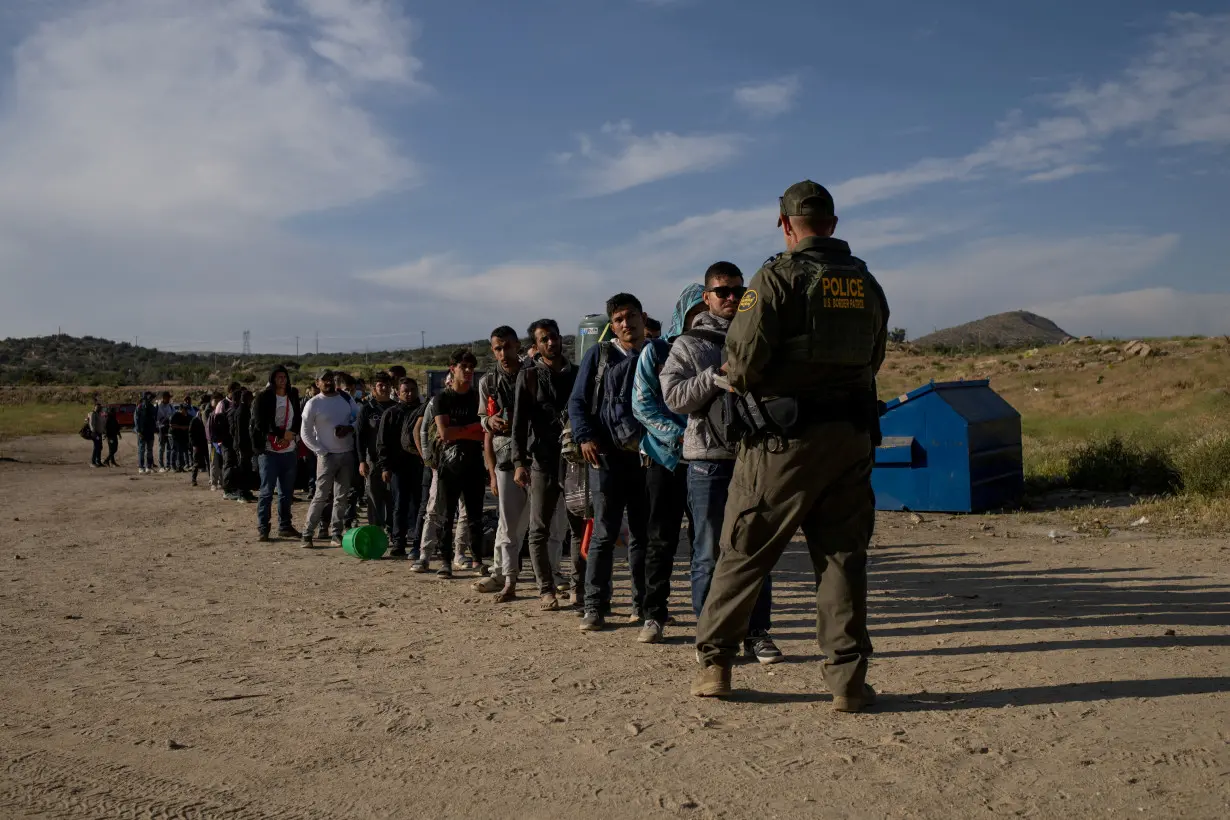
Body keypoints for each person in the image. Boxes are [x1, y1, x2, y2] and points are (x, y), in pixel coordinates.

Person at [690, 181, 889, 711]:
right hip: (850, 439)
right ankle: (848, 682)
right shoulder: (866, 283)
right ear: (833, 222)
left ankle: (716, 664)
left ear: (784, 224)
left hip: (782, 444)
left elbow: (747, 361)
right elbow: (873, 359)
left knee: (745, 548)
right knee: (843, 557)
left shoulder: (774, 278)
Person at [663, 262, 783, 665]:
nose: (731, 297)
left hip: (755, 458)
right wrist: (718, 375)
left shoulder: (761, 335)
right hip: (709, 463)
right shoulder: (688, 344)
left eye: (737, 290)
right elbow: (675, 398)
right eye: (722, 291)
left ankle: (757, 633)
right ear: (706, 297)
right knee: (709, 552)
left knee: (756, 550)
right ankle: (711, 638)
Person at [567, 293, 651, 632]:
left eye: (630, 316)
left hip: (648, 459)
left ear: (643, 317)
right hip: (606, 458)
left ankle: (643, 606)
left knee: (644, 536)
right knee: (603, 534)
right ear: (612, 325)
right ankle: (595, 606)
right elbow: (577, 401)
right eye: (618, 319)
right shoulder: (599, 355)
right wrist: (585, 436)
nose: (626, 323)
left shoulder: (656, 353)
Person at [630, 284, 704, 643]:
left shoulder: (716, 350)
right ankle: (653, 613)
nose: (700, 320)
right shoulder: (656, 352)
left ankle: (707, 614)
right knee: (660, 539)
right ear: (683, 314)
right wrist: (681, 435)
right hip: (665, 459)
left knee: (705, 540)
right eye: (694, 313)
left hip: (707, 460)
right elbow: (643, 405)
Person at [513, 319, 584, 610]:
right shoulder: (528, 377)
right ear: (536, 345)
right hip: (541, 460)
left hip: (575, 462)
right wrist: (519, 461)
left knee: (579, 527)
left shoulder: (578, 374)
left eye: (553, 337)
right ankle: (546, 589)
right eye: (544, 339)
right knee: (539, 528)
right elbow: (518, 424)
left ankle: (578, 588)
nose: (551, 343)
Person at [428, 349, 488, 579]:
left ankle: (477, 560)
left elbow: (485, 432)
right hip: (449, 464)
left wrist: (462, 431)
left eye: (472, 367)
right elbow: (444, 433)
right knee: (446, 515)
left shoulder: (477, 397)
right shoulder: (442, 398)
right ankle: (445, 561)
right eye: (464, 367)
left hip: (474, 463)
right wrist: (472, 429)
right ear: (452, 369)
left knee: (475, 516)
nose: (469, 371)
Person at [476, 326, 526, 601]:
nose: (503, 353)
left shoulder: (532, 374)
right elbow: (483, 419)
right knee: (507, 523)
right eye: (497, 348)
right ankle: (505, 576)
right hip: (505, 456)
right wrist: (489, 421)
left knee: (534, 522)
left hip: (534, 455)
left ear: (517, 345)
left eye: (507, 346)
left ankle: (552, 576)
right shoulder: (489, 382)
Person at [300, 369, 358, 547]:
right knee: (321, 496)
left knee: (341, 497)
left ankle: (336, 534)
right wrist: (320, 451)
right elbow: (305, 432)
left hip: (347, 453)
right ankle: (307, 533)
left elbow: (358, 418)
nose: (328, 382)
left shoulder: (347, 399)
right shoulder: (313, 404)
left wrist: (349, 428)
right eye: (323, 380)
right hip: (326, 457)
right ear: (317, 383)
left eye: (330, 379)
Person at [375, 377, 425, 559]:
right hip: (398, 467)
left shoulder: (424, 411)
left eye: (413, 389)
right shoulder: (391, 414)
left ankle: (420, 542)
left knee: (421, 505)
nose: (410, 394)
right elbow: (382, 443)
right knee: (399, 505)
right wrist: (385, 467)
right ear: (398, 392)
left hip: (420, 466)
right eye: (406, 391)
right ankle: (398, 542)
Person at [252, 365, 302, 541]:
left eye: (284, 376)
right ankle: (263, 528)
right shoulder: (263, 397)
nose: (282, 379)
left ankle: (285, 526)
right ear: (272, 379)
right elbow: (260, 422)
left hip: (289, 450)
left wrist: (291, 434)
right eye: (278, 377)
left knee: (286, 492)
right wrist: (280, 434)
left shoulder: (293, 394)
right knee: (266, 492)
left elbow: (298, 418)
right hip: (269, 451)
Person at [357, 371, 397, 534]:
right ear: (374, 388)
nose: (384, 388)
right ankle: (376, 530)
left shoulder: (396, 407)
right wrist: (361, 460)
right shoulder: (367, 409)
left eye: (387, 385)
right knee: (374, 497)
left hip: (394, 460)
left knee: (393, 497)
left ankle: (394, 530)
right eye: (380, 385)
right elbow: (359, 437)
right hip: (373, 460)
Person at [134, 392, 158, 474]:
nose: (151, 399)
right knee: (142, 450)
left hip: (150, 432)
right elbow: (136, 420)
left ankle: (149, 466)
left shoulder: (152, 407)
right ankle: (141, 467)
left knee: (150, 450)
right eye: (150, 398)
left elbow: (155, 416)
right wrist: (138, 431)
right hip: (142, 432)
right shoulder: (140, 407)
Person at [189, 393, 210, 486]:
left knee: (209, 462)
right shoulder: (195, 420)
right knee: (196, 463)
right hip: (198, 444)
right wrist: (194, 445)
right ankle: (193, 479)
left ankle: (211, 479)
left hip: (206, 443)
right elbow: (191, 433)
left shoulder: (207, 419)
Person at [169, 403, 192, 473]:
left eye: (187, 409)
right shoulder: (175, 415)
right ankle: (172, 466)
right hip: (174, 435)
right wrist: (181, 427)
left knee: (181, 452)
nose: (186, 411)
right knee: (174, 450)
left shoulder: (187, 416)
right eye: (185, 409)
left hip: (181, 436)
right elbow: (171, 425)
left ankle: (180, 466)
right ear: (181, 409)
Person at [156, 392, 174, 471]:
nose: (169, 399)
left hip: (169, 429)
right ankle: (161, 466)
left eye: (169, 398)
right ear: (164, 398)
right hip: (161, 429)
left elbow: (173, 415)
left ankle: (168, 465)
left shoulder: (170, 406)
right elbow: (158, 418)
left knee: (169, 448)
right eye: (168, 398)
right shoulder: (159, 407)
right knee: (161, 448)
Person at [87, 402, 105, 467]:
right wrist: (94, 433)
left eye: (100, 407)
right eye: (98, 407)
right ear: (94, 407)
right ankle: (93, 462)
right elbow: (92, 424)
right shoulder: (93, 414)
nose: (99, 408)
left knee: (100, 447)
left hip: (99, 433)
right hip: (95, 433)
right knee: (96, 447)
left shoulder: (99, 414)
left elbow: (102, 422)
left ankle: (98, 461)